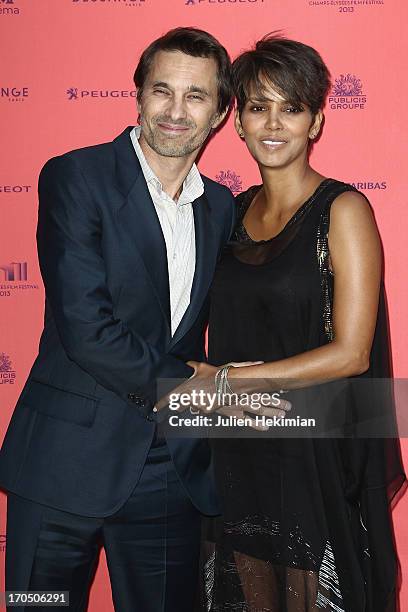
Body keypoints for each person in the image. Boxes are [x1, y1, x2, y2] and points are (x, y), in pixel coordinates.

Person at [0, 27, 238, 612]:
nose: (176, 111)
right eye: (162, 90)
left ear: (219, 113)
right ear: (137, 96)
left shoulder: (222, 208)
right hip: (62, 464)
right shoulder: (77, 176)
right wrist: (192, 385)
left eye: (196, 96)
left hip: (168, 472)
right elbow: (85, 327)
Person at [193, 35, 405, 611]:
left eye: (292, 107)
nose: (273, 123)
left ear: (316, 122)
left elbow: (353, 354)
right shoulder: (227, 214)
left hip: (312, 450)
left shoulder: (344, 209)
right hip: (239, 445)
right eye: (258, 106)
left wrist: (230, 382)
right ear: (236, 122)